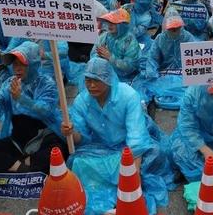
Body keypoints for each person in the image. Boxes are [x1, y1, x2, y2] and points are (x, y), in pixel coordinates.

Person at [62, 59, 172, 215]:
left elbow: (136, 138)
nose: (91, 85)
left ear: (108, 79)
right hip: (100, 147)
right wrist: (70, 133)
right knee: (78, 163)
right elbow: (83, 139)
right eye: (88, 80)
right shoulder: (82, 101)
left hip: (129, 147)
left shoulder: (128, 96)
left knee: (152, 160)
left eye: (97, 80)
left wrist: (133, 177)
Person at [0, 42, 66, 173]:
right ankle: (25, 167)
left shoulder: (46, 83)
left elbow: (45, 111)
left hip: (43, 136)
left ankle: (19, 165)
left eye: (22, 64)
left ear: (33, 65)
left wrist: (21, 98)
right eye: (15, 64)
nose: (17, 68)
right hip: (17, 140)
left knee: (57, 152)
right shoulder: (9, 83)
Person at [90, 8, 140, 82]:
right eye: (108, 22)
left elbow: (130, 67)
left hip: (123, 78)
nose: (110, 25)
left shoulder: (130, 42)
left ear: (122, 25)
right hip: (104, 73)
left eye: (114, 23)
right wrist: (99, 59)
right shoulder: (105, 36)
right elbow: (93, 54)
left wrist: (110, 58)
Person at [145, 10, 195, 79]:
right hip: (164, 75)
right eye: (171, 29)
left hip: (184, 74)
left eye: (177, 28)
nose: (174, 31)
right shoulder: (160, 38)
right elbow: (153, 58)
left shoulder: (188, 38)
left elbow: (195, 59)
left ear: (181, 26)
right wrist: (152, 74)